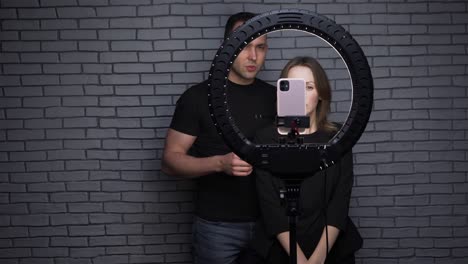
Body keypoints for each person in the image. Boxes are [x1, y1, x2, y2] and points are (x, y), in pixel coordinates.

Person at [161, 12, 276, 264]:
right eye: (245, 45)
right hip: (217, 228)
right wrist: (219, 164)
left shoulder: (277, 97)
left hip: (271, 225)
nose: (253, 56)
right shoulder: (198, 97)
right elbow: (170, 161)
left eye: (261, 47)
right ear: (227, 46)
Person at [247, 56, 362, 264]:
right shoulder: (265, 138)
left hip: (331, 247)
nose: (300, 96)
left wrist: (317, 260)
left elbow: (339, 202)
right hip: (280, 248)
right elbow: (270, 205)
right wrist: (299, 260)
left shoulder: (339, 137)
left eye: (308, 87)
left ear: (321, 94)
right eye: (293, 87)